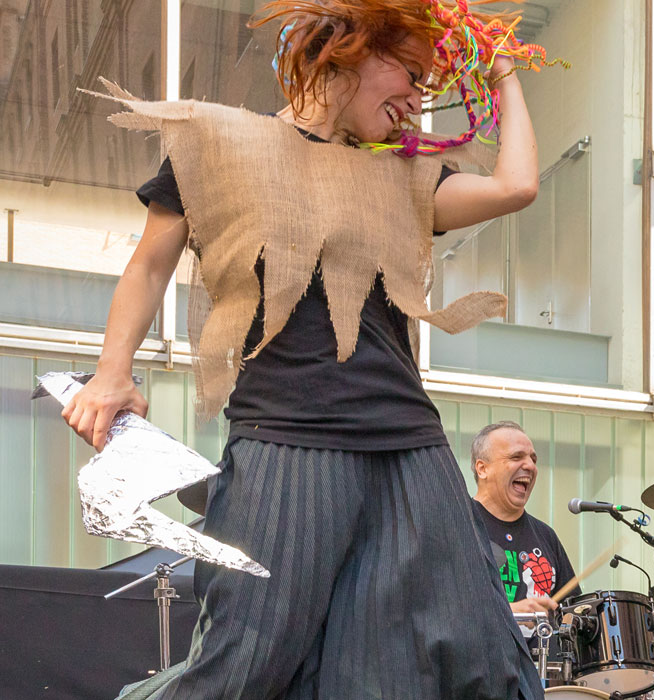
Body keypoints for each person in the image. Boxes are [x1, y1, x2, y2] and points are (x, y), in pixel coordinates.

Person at [62, 1, 545, 697]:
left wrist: (502, 66)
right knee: (243, 668)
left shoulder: (401, 174)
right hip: (286, 437)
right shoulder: (218, 143)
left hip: (408, 444)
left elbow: (516, 184)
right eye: (408, 73)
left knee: (479, 662)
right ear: (349, 54)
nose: (416, 97)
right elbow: (147, 266)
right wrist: (113, 375)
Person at [469, 421, 578, 615]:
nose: (530, 466)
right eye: (516, 457)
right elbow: (441, 611)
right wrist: (510, 613)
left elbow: (573, 614)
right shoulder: (458, 526)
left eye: (533, 459)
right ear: (482, 469)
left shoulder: (546, 536)